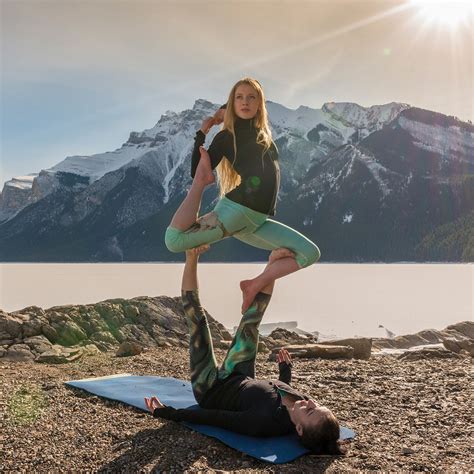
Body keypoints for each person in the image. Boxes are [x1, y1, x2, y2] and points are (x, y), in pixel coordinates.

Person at [145, 245, 347, 456]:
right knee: (252, 320)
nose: (310, 402)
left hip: (211, 388)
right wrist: (285, 371)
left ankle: (191, 256)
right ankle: (273, 265)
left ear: (298, 428)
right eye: (318, 404)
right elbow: (281, 392)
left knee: (198, 321)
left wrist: (167, 413)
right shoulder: (300, 403)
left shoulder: (261, 423)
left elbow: (214, 417)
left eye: (311, 410)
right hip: (241, 374)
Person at [164, 77, 321, 314]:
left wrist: (222, 112)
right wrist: (204, 130)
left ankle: (254, 284)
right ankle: (192, 257)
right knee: (174, 241)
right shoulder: (227, 136)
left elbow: (235, 107)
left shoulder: (262, 133)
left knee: (310, 253)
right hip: (235, 210)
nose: (245, 102)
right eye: (239, 97)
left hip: (256, 220)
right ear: (233, 103)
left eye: (251, 97)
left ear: (260, 104)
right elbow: (197, 170)